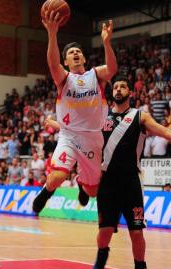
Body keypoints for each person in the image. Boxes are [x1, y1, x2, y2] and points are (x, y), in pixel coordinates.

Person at [44, 76, 171, 269]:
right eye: (117, 87)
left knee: (136, 233)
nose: (119, 89)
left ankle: (140, 266)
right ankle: (99, 262)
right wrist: (53, 123)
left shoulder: (140, 116)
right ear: (112, 93)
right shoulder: (100, 117)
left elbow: (167, 133)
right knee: (104, 233)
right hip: (107, 181)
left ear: (131, 92)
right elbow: (74, 130)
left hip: (130, 181)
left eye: (123, 87)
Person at [32, 10, 117, 213]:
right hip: (69, 136)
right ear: (66, 62)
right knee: (58, 177)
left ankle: (81, 181)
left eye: (78, 51)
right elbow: (53, 63)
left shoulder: (96, 75)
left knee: (93, 191)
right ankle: (45, 192)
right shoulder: (64, 78)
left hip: (93, 138)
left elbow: (112, 69)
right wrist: (52, 33)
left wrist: (106, 42)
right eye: (71, 53)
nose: (75, 53)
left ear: (84, 58)